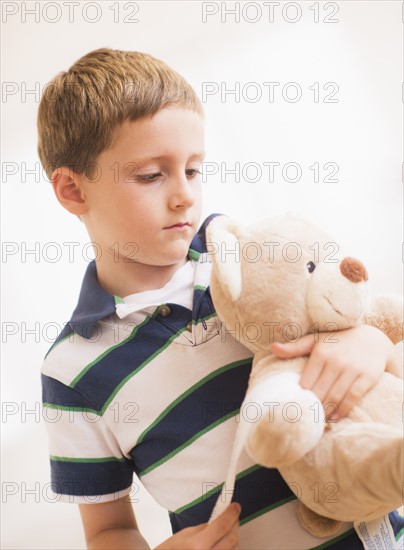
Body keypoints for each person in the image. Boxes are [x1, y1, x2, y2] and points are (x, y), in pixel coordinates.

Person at [38, 48, 402, 549]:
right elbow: (109, 530)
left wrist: (370, 343)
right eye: (151, 175)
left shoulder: (257, 262)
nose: (184, 194)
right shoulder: (72, 369)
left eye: (193, 169)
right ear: (73, 190)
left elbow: (359, 315)